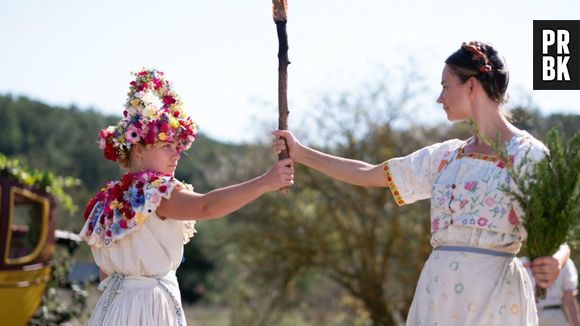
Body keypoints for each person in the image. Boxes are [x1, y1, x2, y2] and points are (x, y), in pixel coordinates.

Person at [273, 41, 570, 325]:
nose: (439, 98)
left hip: (494, 296)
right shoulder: (446, 157)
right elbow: (366, 174)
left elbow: (557, 233)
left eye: (444, 86)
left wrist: (556, 260)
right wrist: (300, 153)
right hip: (438, 294)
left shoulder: (528, 154)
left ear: (470, 85)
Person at [79, 68, 294, 326]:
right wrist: (266, 181)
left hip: (111, 310)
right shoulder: (155, 192)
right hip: (149, 308)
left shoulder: (108, 199)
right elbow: (207, 206)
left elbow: (106, 273)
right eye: (166, 146)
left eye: (178, 147)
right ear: (137, 149)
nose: (176, 154)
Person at [522, 256, 580, 325]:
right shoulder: (566, 263)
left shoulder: (523, 263)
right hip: (554, 315)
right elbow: (569, 299)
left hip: (532, 316)